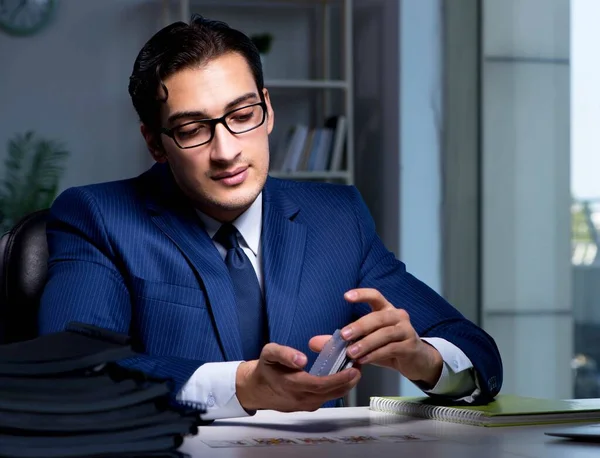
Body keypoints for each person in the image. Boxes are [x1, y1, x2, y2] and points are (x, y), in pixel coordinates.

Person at [38, 15, 502, 420]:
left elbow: (478, 354)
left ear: (267, 109)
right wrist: (242, 386)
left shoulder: (337, 219)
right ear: (155, 142)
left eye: (242, 114)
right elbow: (73, 371)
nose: (226, 151)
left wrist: (424, 360)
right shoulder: (98, 217)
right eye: (192, 129)